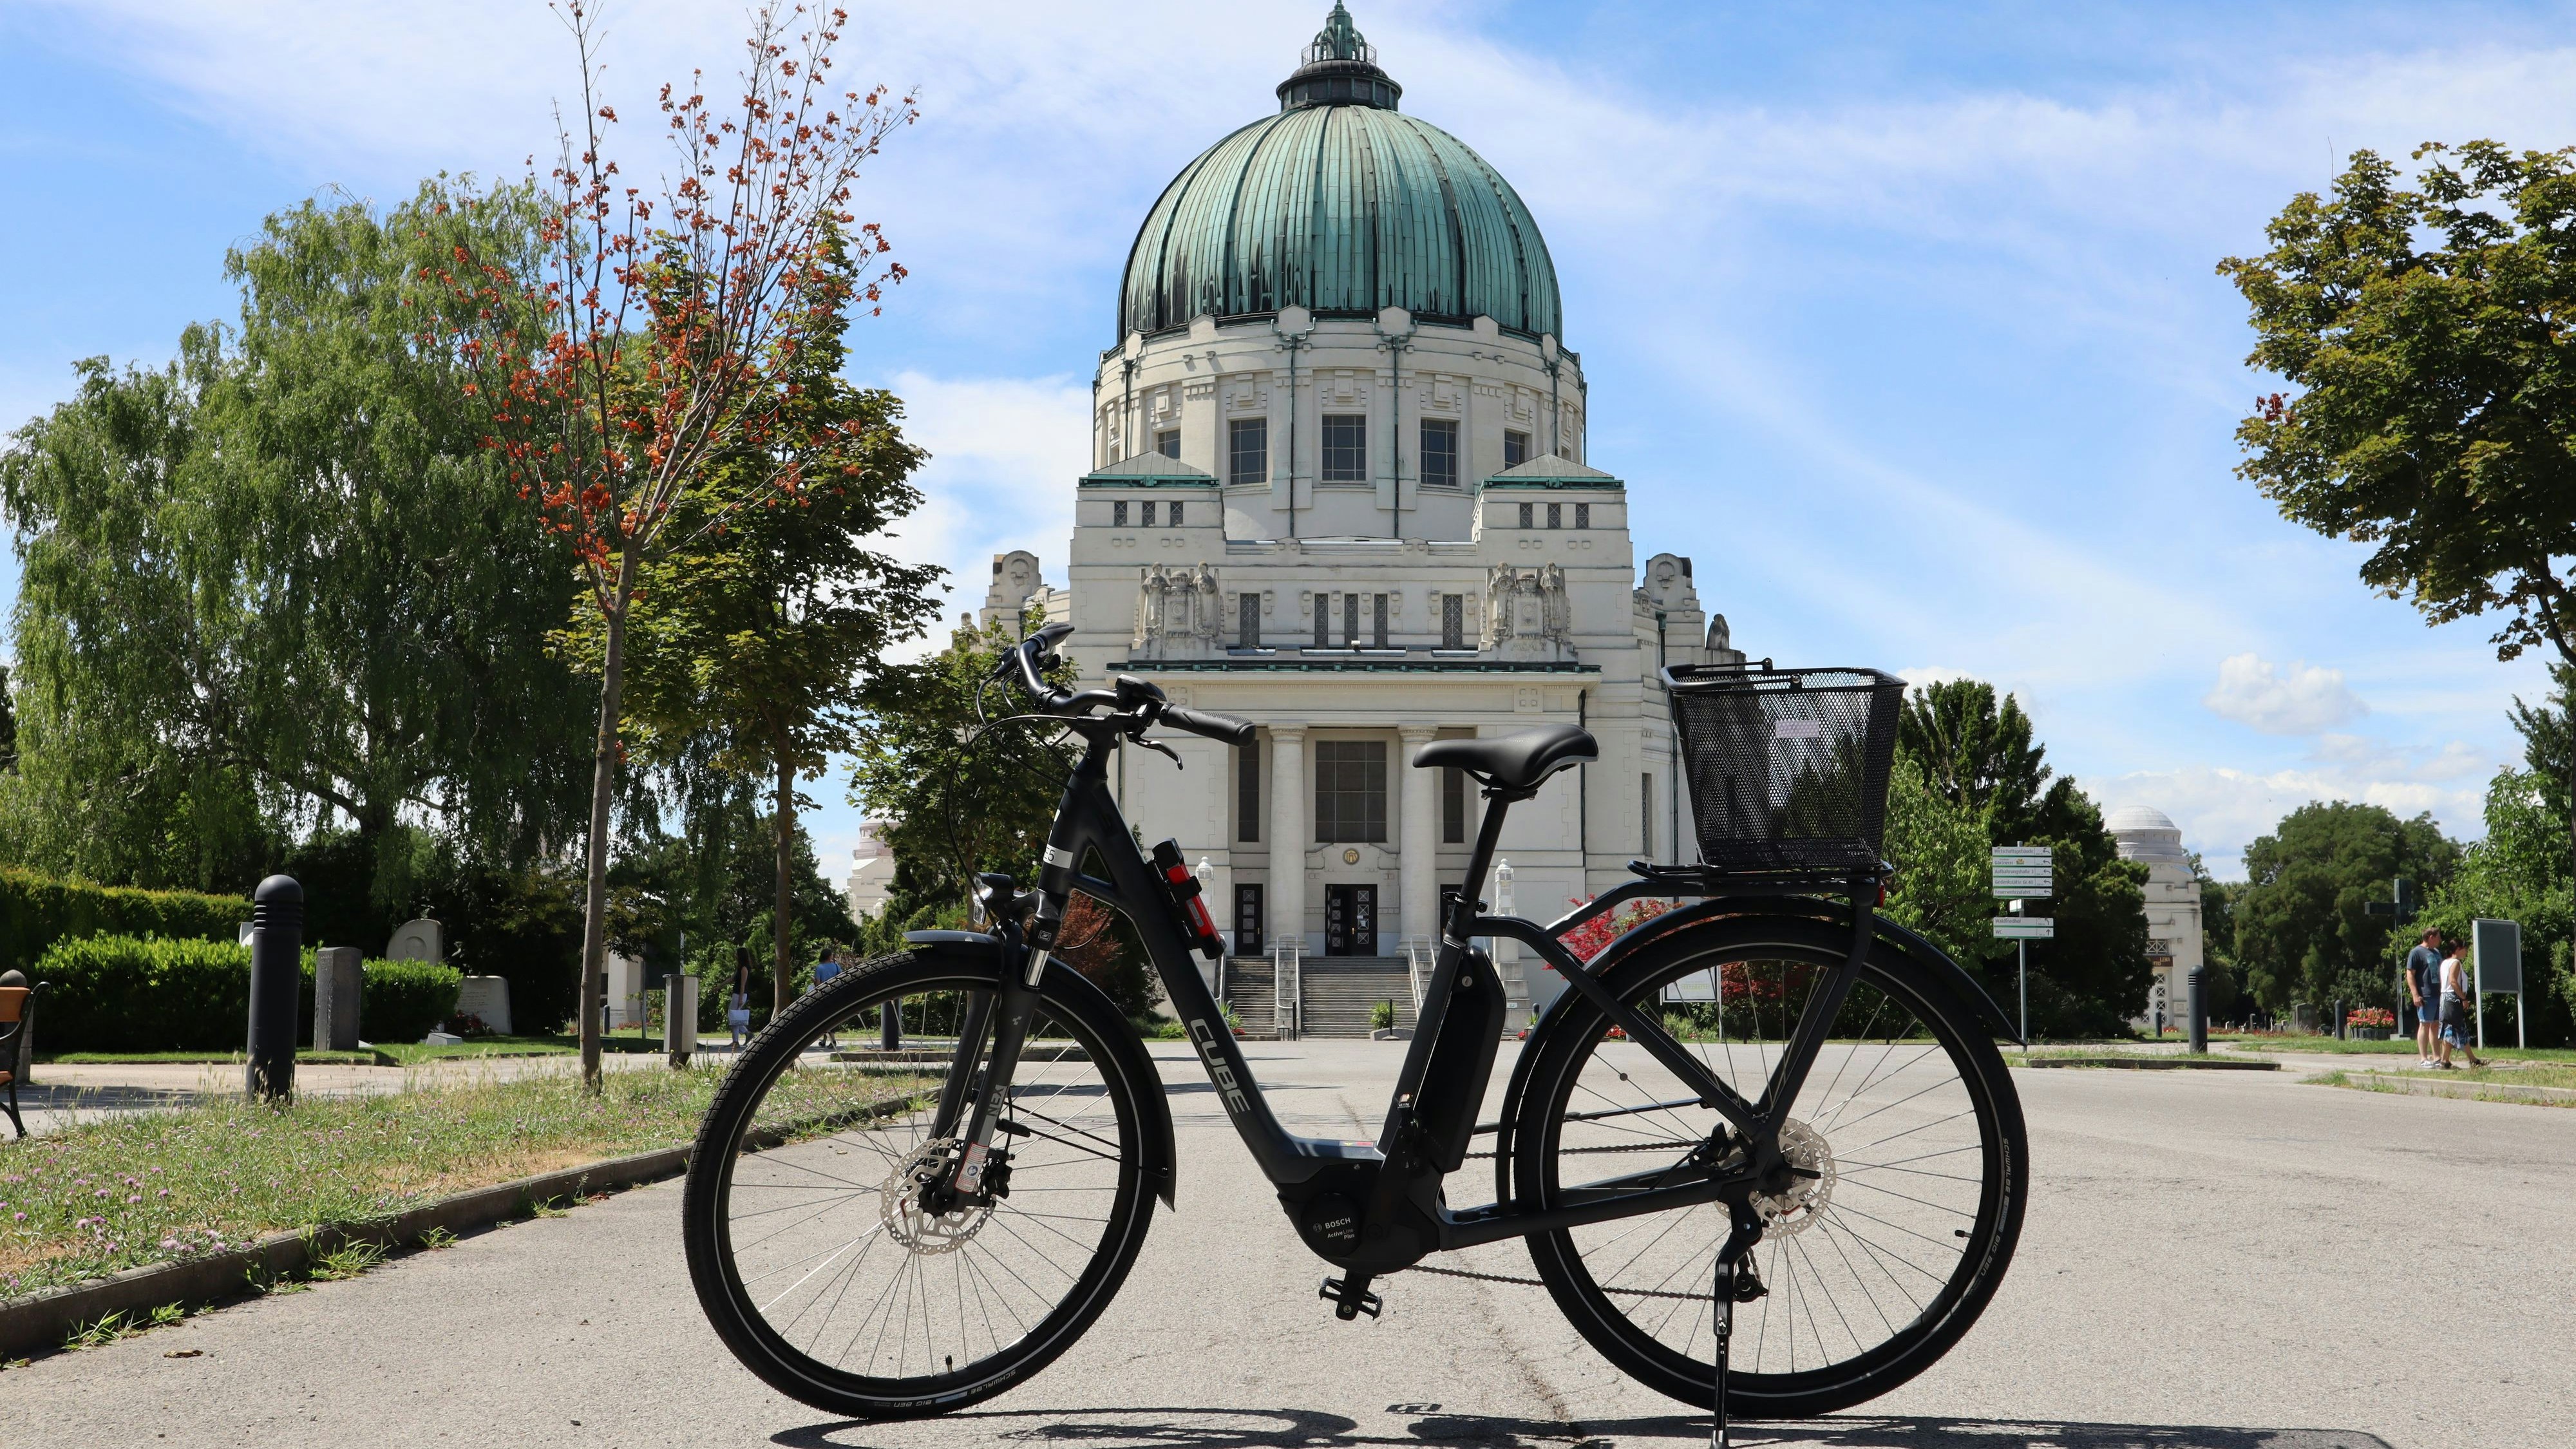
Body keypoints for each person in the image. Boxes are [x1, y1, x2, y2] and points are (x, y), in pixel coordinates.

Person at [2434, 940, 2486, 1070]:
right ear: (2457, 949)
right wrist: (2463, 998)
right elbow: (2453, 981)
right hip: (2453, 999)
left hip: (2444, 999)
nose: (2466, 951)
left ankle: (2452, 1061)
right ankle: (2466, 1060)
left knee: (2452, 1029)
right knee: (2456, 1029)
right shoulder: (2455, 963)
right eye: (2464, 948)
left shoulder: (2445, 963)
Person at [2405, 928, 2443, 1067]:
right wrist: (2415, 994)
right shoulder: (2416, 952)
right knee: (2424, 1024)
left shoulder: (2437, 953)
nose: (2440, 940)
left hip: (2438, 994)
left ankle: (2437, 1058)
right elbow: (2410, 974)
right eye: (2438, 937)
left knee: (2435, 1025)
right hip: (2425, 995)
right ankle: (2424, 1058)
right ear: (2431, 937)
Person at [811, 946, 843, 1048]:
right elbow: (842, 978)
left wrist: (814, 981)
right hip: (835, 995)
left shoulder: (819, 968)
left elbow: (818, 985)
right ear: (830, 957)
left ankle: (833, 1040)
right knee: (831, 1017)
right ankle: (825, 1040)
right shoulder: (836, 966)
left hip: (824, 996)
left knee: (824, 1019)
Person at [727, 943, 753, 1050]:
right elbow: (731, 979)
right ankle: (742, 1036)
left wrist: (741, 999)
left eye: (736, 954)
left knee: (733, 1017)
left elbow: (743, 984)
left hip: (740, 994)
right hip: (737, 994)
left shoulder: (744, 969)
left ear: (740, 955)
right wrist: (718, 987)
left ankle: (738, 1040)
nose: (735, 955)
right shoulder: (739, 968)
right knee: (733, 1017)